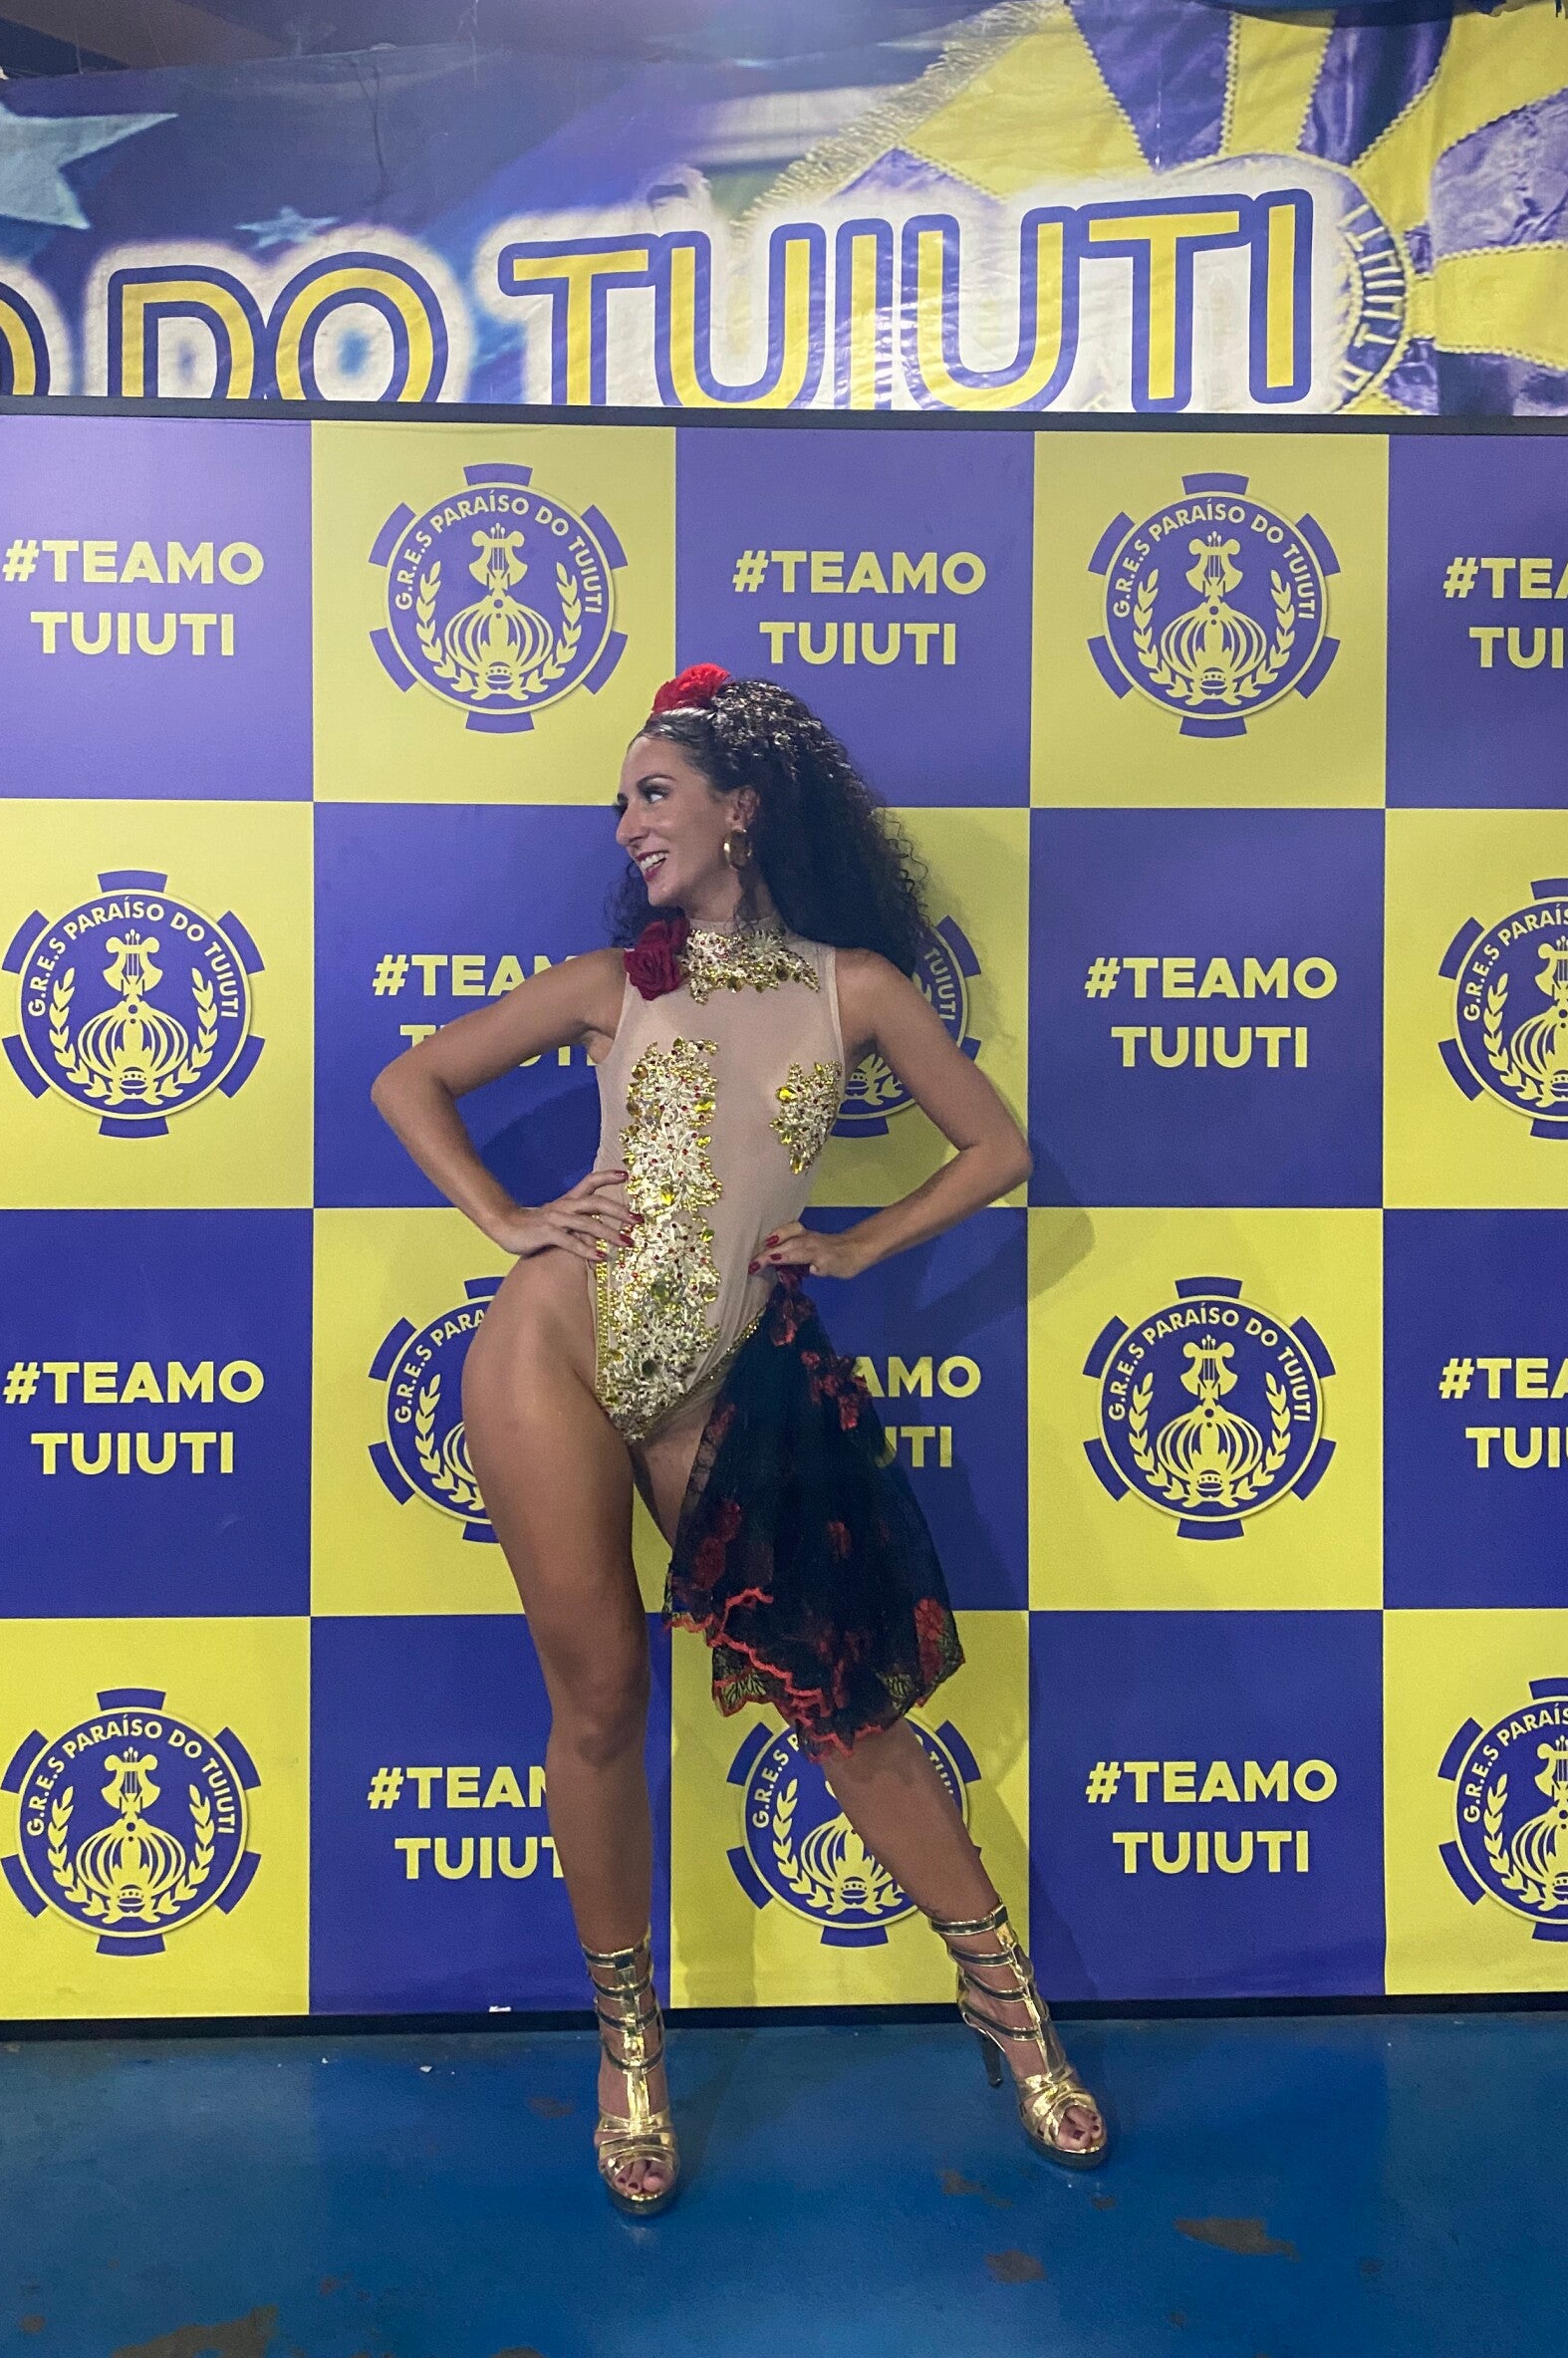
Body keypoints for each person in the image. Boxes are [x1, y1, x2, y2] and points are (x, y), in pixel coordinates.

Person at [373, 662, 1108, 2214]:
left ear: (741, 810)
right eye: (622, 801)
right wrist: (505, 1217)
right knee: (601, 1704)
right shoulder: (612, 982)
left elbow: (997, 1149)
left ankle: (1008, 2008)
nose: (627, 823)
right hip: (555, 1352)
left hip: (730, 1379)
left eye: (653, 792)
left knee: (847, 1710)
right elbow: (409, 1077)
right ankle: (629, 2051)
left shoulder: (859, 987)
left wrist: (860, 1244)